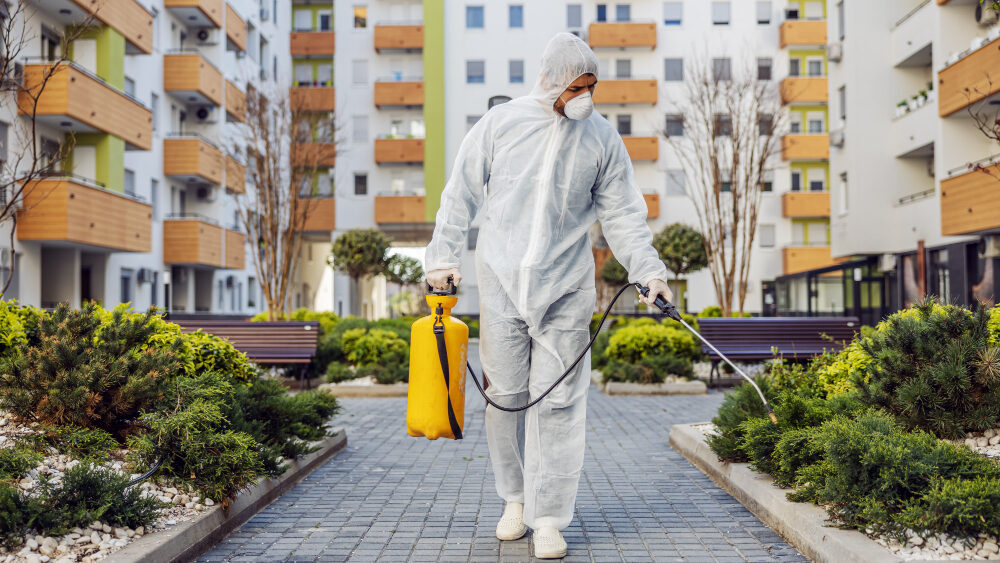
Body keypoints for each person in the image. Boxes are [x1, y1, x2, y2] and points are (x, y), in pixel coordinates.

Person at [423, 32, 672, 559]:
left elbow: (624, 214)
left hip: (566, 287)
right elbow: (460, 193)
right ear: (552, 80)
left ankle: (551, 517)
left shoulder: (602, 139)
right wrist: (442, 261)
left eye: (592, 87)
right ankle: (514, 500)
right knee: (505, 399)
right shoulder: (501, 124)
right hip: (501, 282)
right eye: (578, 86)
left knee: (559, 402)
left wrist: (650, 271)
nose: (586, 96)